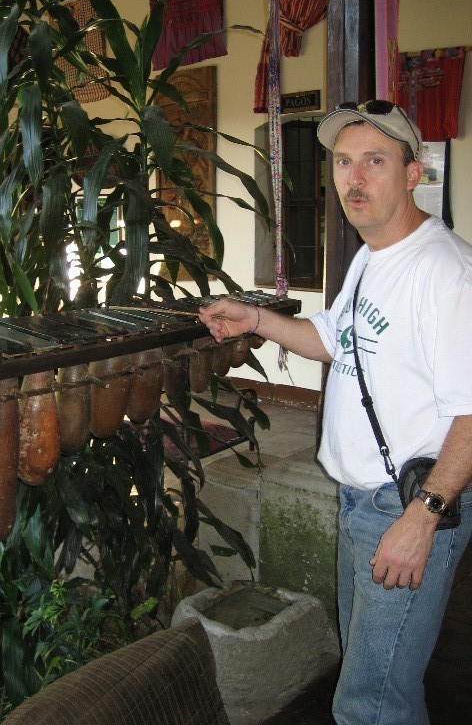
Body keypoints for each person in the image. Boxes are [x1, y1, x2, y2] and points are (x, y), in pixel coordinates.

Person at [199, 100, 472, 725]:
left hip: (404, 506)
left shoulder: (446, 273)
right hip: (362, 503)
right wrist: (258, 320)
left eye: (375, 161)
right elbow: (332, 338)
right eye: (344, 163)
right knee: (372, 676)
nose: (354, 179)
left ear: (412, 172)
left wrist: (421, 518)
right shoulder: (370, 258)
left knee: (371, 704)